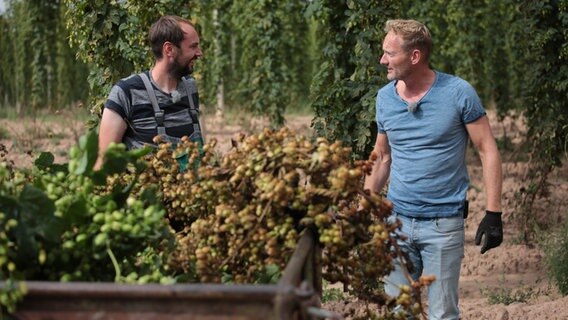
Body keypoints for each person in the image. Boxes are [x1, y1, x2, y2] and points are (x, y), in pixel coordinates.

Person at [363, 19, 503, 319]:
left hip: (443, 226)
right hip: (396, 224)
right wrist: (364, 208)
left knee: (442, 314)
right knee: (398, 313)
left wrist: (493, 214)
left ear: (415, 56)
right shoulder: (385, 98)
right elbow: (382, 156)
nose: (382, 60)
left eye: (389, 53)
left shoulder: (458, 93)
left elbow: (487, 150)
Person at [96, 15, 204, 169]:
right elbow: (104, 162)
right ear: (169, 49)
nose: (199, 53)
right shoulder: (126, 92)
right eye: (193, 47)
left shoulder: (190, 88)